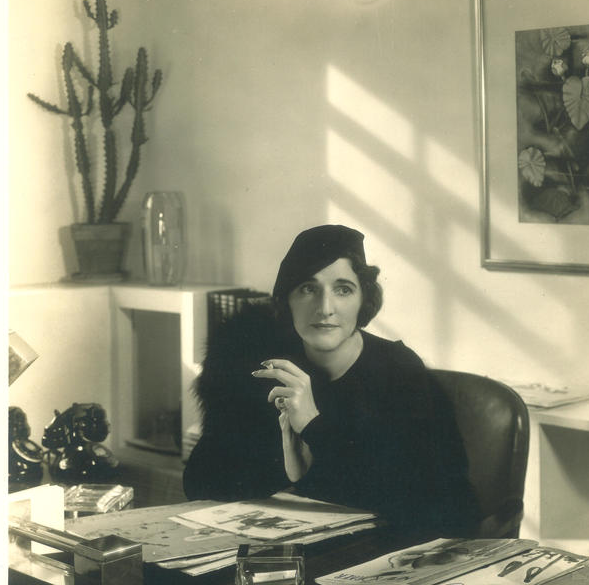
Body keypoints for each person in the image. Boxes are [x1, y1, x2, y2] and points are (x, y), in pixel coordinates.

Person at [183, 224, 481, 537]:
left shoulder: (400, 375)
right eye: (308, 289)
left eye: (343, 289)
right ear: (287, 302)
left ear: (363, 300)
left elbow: (442, 510)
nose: (325, 309)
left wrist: (314, 426)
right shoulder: (264, 368)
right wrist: (285, 470)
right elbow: (200, 485)